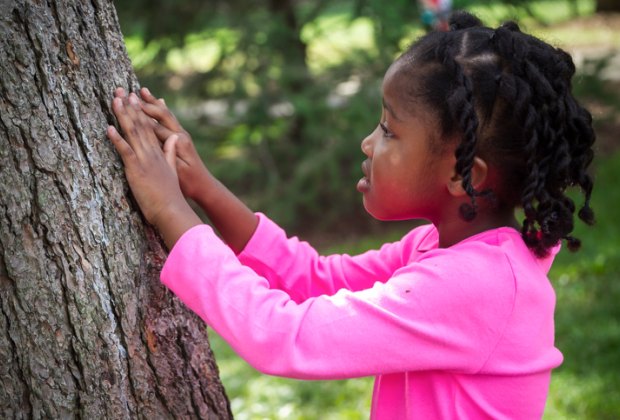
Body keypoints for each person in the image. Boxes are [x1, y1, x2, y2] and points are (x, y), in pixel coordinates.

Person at [106, 11, 595, 418]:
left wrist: (170, 210)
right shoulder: (442, 249)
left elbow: (284, 336)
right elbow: (313, 279)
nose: (368, 143)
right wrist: (203, 188)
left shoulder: (477, 286)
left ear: (463, 174)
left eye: (388, 130)